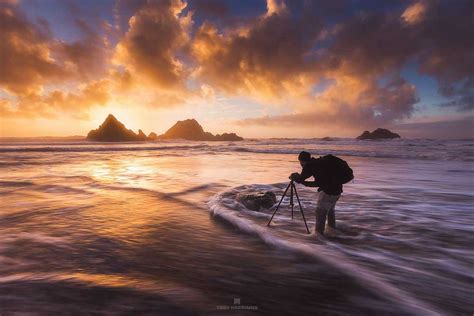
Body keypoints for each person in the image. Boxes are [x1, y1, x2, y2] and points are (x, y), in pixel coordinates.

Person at [290, 151, 348, 236]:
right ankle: (332, 231)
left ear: (302, 161)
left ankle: (319, 237)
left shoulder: (312, 166)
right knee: (330, 211)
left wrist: (302, 181)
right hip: (337, 191)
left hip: (329, 192)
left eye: (300, 162)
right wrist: (300, 179)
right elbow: (304, 176)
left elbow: (317, 183)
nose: (301, 164)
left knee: (320, 212)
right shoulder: (318, 163)